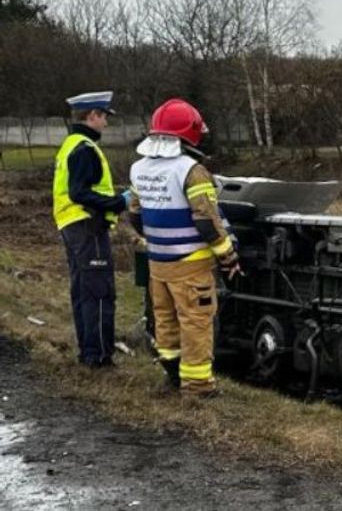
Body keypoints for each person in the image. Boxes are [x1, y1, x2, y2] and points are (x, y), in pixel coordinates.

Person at [127, 99, 240, 397]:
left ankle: (173, 377)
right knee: (195, 322)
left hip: (158, 263)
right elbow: (206, 220)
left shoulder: (138, 168)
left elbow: (135, 215)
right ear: (190, 134)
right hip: (191, 263)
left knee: (165, 319)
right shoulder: (192, 170)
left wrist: (159, 240)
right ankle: (199, 385)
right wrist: (228, 254)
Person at [53, 91, 128, 368]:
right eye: (104, 117)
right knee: (99, 291)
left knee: (83, 290)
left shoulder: (71, 144)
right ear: (92, 115)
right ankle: (98, 357)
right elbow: (79, 192)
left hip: (73, 225)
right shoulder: (84, 148)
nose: (106, 124)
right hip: (88, 225)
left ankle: (88, 352)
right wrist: (119, 202)